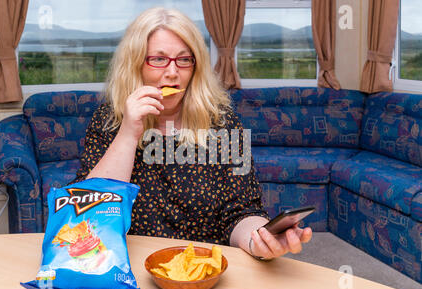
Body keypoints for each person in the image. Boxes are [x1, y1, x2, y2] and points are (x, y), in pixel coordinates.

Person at [72, 7, 312, 260]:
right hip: (130, 266)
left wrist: (260, 240)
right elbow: (89, 212)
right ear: (135, 64)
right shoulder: (110, 119)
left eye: (184, 59)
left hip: (206, 268)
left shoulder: (224, 122)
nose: (173, 72)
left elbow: (242, 211)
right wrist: (129, 133)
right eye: (158, 59)